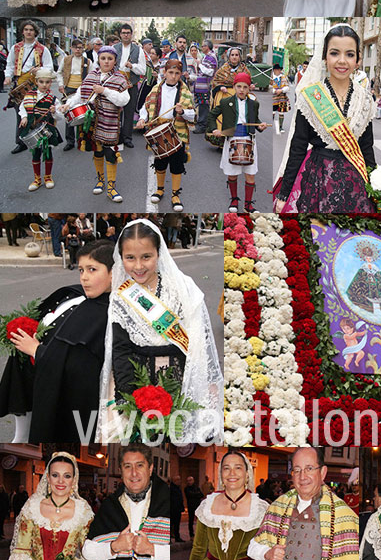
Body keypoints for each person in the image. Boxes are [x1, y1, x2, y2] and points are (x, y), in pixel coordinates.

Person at [98, 218, 223, 443]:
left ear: (159, 253)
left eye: (146, 256)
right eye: (130, 258)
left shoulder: (182, 287)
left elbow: (199, 339)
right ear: (121, 258)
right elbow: (120, 349)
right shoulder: (120, 296)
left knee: (179, 438)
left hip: (180, 378)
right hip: (138, 381)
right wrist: (130, 399)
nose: (138, 266)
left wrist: (200, 386)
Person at [5, 240, 114, 442]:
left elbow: (80, 368)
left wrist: (37, 351)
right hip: (37, 372)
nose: (84, 278)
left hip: (65, 395)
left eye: (92, 269)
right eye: (81, 270)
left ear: (113, 272)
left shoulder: (106, 313)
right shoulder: (80, 294)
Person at [274, 24, 376, 213]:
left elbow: (367, 148)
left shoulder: (366, 99)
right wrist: (284, 194)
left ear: (358, 60)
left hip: (356, 185)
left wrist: (377, 190)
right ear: (324, 56)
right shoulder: (310, 96)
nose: (342, 61)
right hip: (318, 180)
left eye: (350, 54)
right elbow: (297, 148)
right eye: (335, 53)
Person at [62, 44, 129, 204]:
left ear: (115, 61)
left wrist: (104, 91)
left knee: (110, 154)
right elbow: (80, 94)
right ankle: (100, 180)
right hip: (92, 121)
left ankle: (111, 187)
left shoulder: (120, 78)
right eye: (103, 58)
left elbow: (124, 100)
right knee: (97, 151)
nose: (106, 61)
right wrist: (68, 104)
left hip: (110, 123)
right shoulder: (91, 75)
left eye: (110, 59)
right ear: (98, 59)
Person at [136, 56, 196, 212]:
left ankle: (175, 194)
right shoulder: (156, 89)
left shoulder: (185, 92)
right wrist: (142, 119)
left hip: (177, 131)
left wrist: (182, 111)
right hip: (158, 129)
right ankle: (160, 189)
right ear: (164, 72)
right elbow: (145, 107)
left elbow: (192, 114)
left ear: (181, 74)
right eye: (170, 72)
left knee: (177, 164)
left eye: (177, 73)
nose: (173, 76)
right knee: (160, 161)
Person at [207, 70, 269, 214]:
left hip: (249, 140)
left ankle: (248, 205)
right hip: (232, 139)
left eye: (245, 87)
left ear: (249, 88)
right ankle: (234, 200)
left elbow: (255, 121)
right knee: (232, 173)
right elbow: (211, 115)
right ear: (234, 87)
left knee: (250, 174)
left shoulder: (254, 104)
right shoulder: (225, 102)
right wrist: (214, 129)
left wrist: (260, 126)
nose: (242, 90)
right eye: (239, 86)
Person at [5, 20, 53, 153]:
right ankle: (21, 142)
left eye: (31, 30)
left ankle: (41, 139)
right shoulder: (15, 48)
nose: (28, 32)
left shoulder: (43, 49)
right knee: (21, 115)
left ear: (36, 32)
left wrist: (39, 70)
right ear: (22, 32)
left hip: (37, 85)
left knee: (39, 113)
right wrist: (8, 77)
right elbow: (9, 65)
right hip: (20, 85)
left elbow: (49, 68)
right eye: (26, 29)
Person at [18, 65, 63, 191]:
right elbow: (23, 107)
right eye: (41, 82)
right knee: (36, 153)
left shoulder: (53, 99)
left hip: (47, 129)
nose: (44, 85)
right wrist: (24, 117)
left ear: (50, 83)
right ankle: (37, 179)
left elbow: (60, 117)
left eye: (47, 82)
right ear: (36, 82)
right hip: (33, 128)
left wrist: (54, 112)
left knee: (48, 152)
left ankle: (48, 177)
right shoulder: (29, 95)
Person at [113, 23, 147, 146]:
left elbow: (143, 70)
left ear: (131, 34)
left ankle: (127, 138)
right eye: (123, 33)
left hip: (131, 83)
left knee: (129, 111)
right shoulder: (114, 48)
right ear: (120, 34)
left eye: (128, 33)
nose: (126, 35)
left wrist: (132, 66)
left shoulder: (138, 50)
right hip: (116, 84)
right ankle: (115, 136)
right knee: (115, 111)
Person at [205, 45, 245, 148]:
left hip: (239, 95)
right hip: (224, 95)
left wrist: (251, 85)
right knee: (222, 118)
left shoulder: (244, 69)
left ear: (240, 57)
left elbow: (248, 81)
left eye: (237, 55)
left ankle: (238, 140)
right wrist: (221, 86)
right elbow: (215, 82)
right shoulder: (223, 69)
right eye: (232, 55)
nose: (234, 57)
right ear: (229, 56)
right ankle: (221, 141)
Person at [58, 37, 91, 149]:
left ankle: (82, 140)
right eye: (76, 48)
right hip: (68, 88)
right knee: (69, 114)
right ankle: (70, 141)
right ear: (71, 48)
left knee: (82, 114)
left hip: (81, 90)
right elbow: (59, 73)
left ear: (83, 49)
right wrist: (60, 85)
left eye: (80, 48)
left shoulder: (87, 61)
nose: (78, 50)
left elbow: (90, 77)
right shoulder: (66, 59)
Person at [192, 38, 217, 134]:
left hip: (205, 87)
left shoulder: (211, 57)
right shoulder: (206, 56)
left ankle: (203, 125)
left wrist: (200, 64)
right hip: (200, 87)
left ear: (207, 47)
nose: (201, 48)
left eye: (203, 46)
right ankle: (201, 124)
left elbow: (210, 72)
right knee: (201, 106)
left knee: (204, 107)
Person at [272, 61, 290, 133]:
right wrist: (275, 91)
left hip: (282, 99)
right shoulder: (271, 78)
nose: (279, 71)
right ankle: (272, 126)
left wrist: (282, 90)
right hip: (273, 99)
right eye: (278, 70)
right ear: (274, 70)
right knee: (272, 113)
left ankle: (280, 127)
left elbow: (287, 87)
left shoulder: (283, 77)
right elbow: (270, 87)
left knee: (281, 113)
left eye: (280, 70)